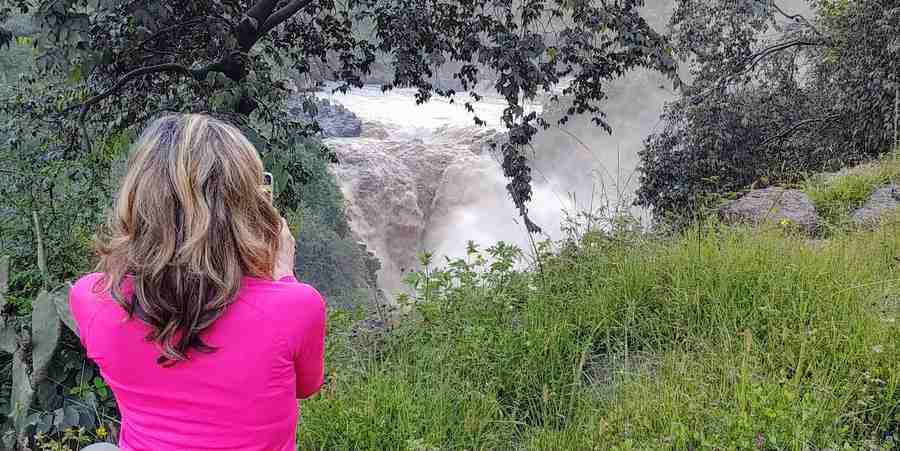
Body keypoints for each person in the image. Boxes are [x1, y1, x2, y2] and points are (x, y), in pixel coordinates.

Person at [69, 114, 327, 451]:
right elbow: (305, 386)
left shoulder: (91, 299)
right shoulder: (297, 307)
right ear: (247, 210)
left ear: (137, 203)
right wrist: (282, 277)